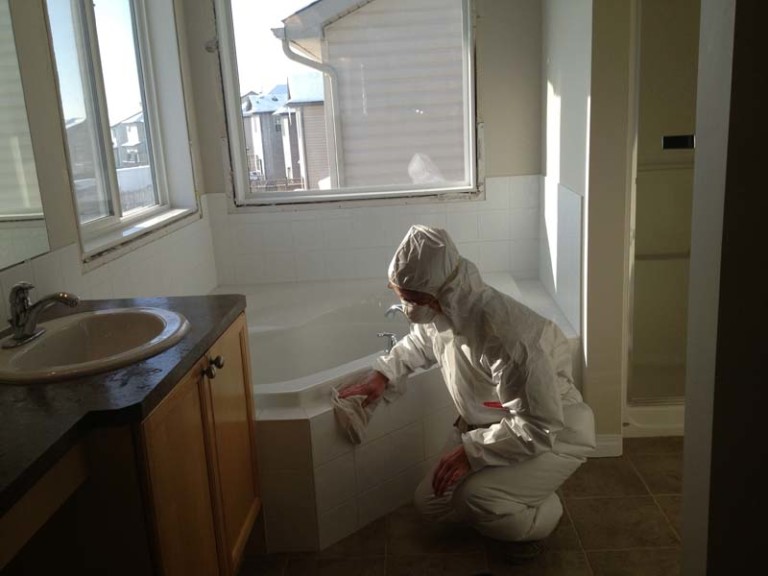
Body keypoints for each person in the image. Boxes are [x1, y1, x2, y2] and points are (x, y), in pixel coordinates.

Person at [340, 224, 596, 563]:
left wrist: (470, 453)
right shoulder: (444, 313)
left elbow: (540, 424)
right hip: (495, 427)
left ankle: (542, 513)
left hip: (556, 433)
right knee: (429, 503)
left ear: (439, 292)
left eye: (411, 299)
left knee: (474, 498)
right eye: (401, 296)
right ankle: (512, 493)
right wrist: (384, 374)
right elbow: (420, 342)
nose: (406, 308)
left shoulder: (507, 336)